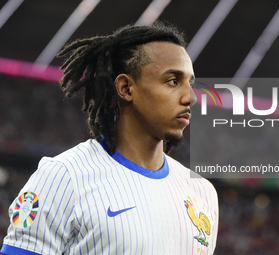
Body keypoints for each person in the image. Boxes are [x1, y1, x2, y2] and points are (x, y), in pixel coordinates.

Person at [1, 22, 219, 255]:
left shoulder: (202, 192)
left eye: (191, 83)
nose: (191, 97)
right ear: (126, 88)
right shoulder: (64, 177)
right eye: (173, 81)